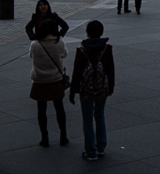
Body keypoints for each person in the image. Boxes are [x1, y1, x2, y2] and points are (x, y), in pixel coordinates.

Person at [69, 20, 115, 160]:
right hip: (102, 88)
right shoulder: (107, 49)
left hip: (86, 89)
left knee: (87, 119)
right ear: (101, 32)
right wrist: (110, 87)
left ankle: (90, 151)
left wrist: (72, 91)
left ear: (87, 33)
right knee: (100, 115)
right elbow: (110, 70)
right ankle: (101, 147)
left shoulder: (82, 49)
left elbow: (77, 72)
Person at [29, 19, 69, 147]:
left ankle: (44, 137)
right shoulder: (60, 42)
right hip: (56, 79)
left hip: (40, 80)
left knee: (41, 110)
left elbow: (31, 56)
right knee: (59, 108)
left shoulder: (35, 45)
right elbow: (65, 54)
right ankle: (63, 135)